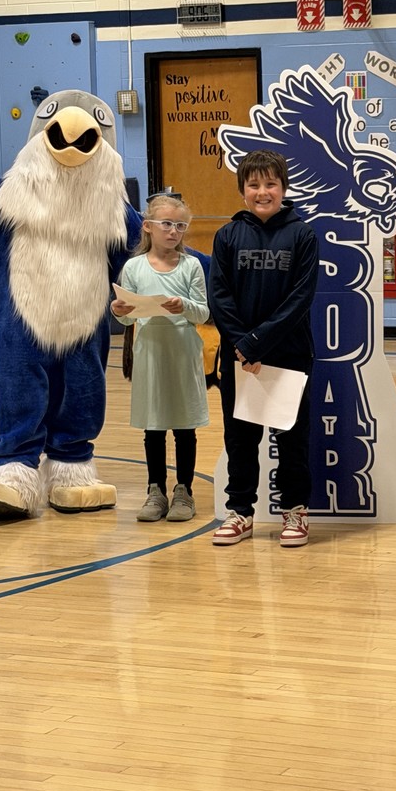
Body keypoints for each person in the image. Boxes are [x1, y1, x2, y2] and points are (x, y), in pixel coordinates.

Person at [208, 149, 320, 547]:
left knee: (291, 439)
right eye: (254, 184)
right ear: (242, 190)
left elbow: (300, 298)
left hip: (288, 356)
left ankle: (295, 511)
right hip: (239, 358)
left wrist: (259, 341)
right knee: (240, 439)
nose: (262, 191)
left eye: (270, 183)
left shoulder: (302, 235)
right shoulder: (226, 236)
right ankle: (240, 512)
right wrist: (242, 344)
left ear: (284, 188)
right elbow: (219, 297)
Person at [111, 193, 210, 522]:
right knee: (153, 427)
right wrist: (119, 310)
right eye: (166, 224)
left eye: (180, 225)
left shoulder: (192, 265)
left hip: (182, 353)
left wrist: (184, 306)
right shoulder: (134, 267)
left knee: (184, 427)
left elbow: (203, 312)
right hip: (150, 353)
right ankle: (155, 489)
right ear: (148, 226)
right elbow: (128, 319)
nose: (173, 231)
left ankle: (184, 490)